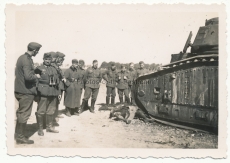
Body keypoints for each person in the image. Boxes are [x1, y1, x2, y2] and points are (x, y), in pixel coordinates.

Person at [14, 42, 42, 144]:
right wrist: (37, 76)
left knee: (21, 113)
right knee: (24, 113)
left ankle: (18, 134)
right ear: (34, 50)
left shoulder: (22, 57)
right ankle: (20, 138)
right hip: (25, 91)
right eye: (37, 51)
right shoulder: (26, 60)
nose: (37, 53)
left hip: (20, 89)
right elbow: (28, 77)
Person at [35, 53, 60, 136]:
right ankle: (40, 129)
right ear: (43, 59)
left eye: (49, 59)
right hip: (43, 93)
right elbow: (36, 82)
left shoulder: (54, 69)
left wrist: (58, 92)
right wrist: (36, 93)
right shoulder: (39, 69)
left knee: (51, 111)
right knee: (41, 111)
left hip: (53, 92)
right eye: (46, 59)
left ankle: (49, 127)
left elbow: (58, 82)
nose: (48, 61)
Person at [50, 52, 66, 125]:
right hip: (57, 86)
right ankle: (54, 116)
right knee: (55, 102)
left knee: (57, 101)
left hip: (60, 86)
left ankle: (55, 114)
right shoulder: (54, 66)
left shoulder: (56, 66)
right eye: (61, 59)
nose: (62, 61)